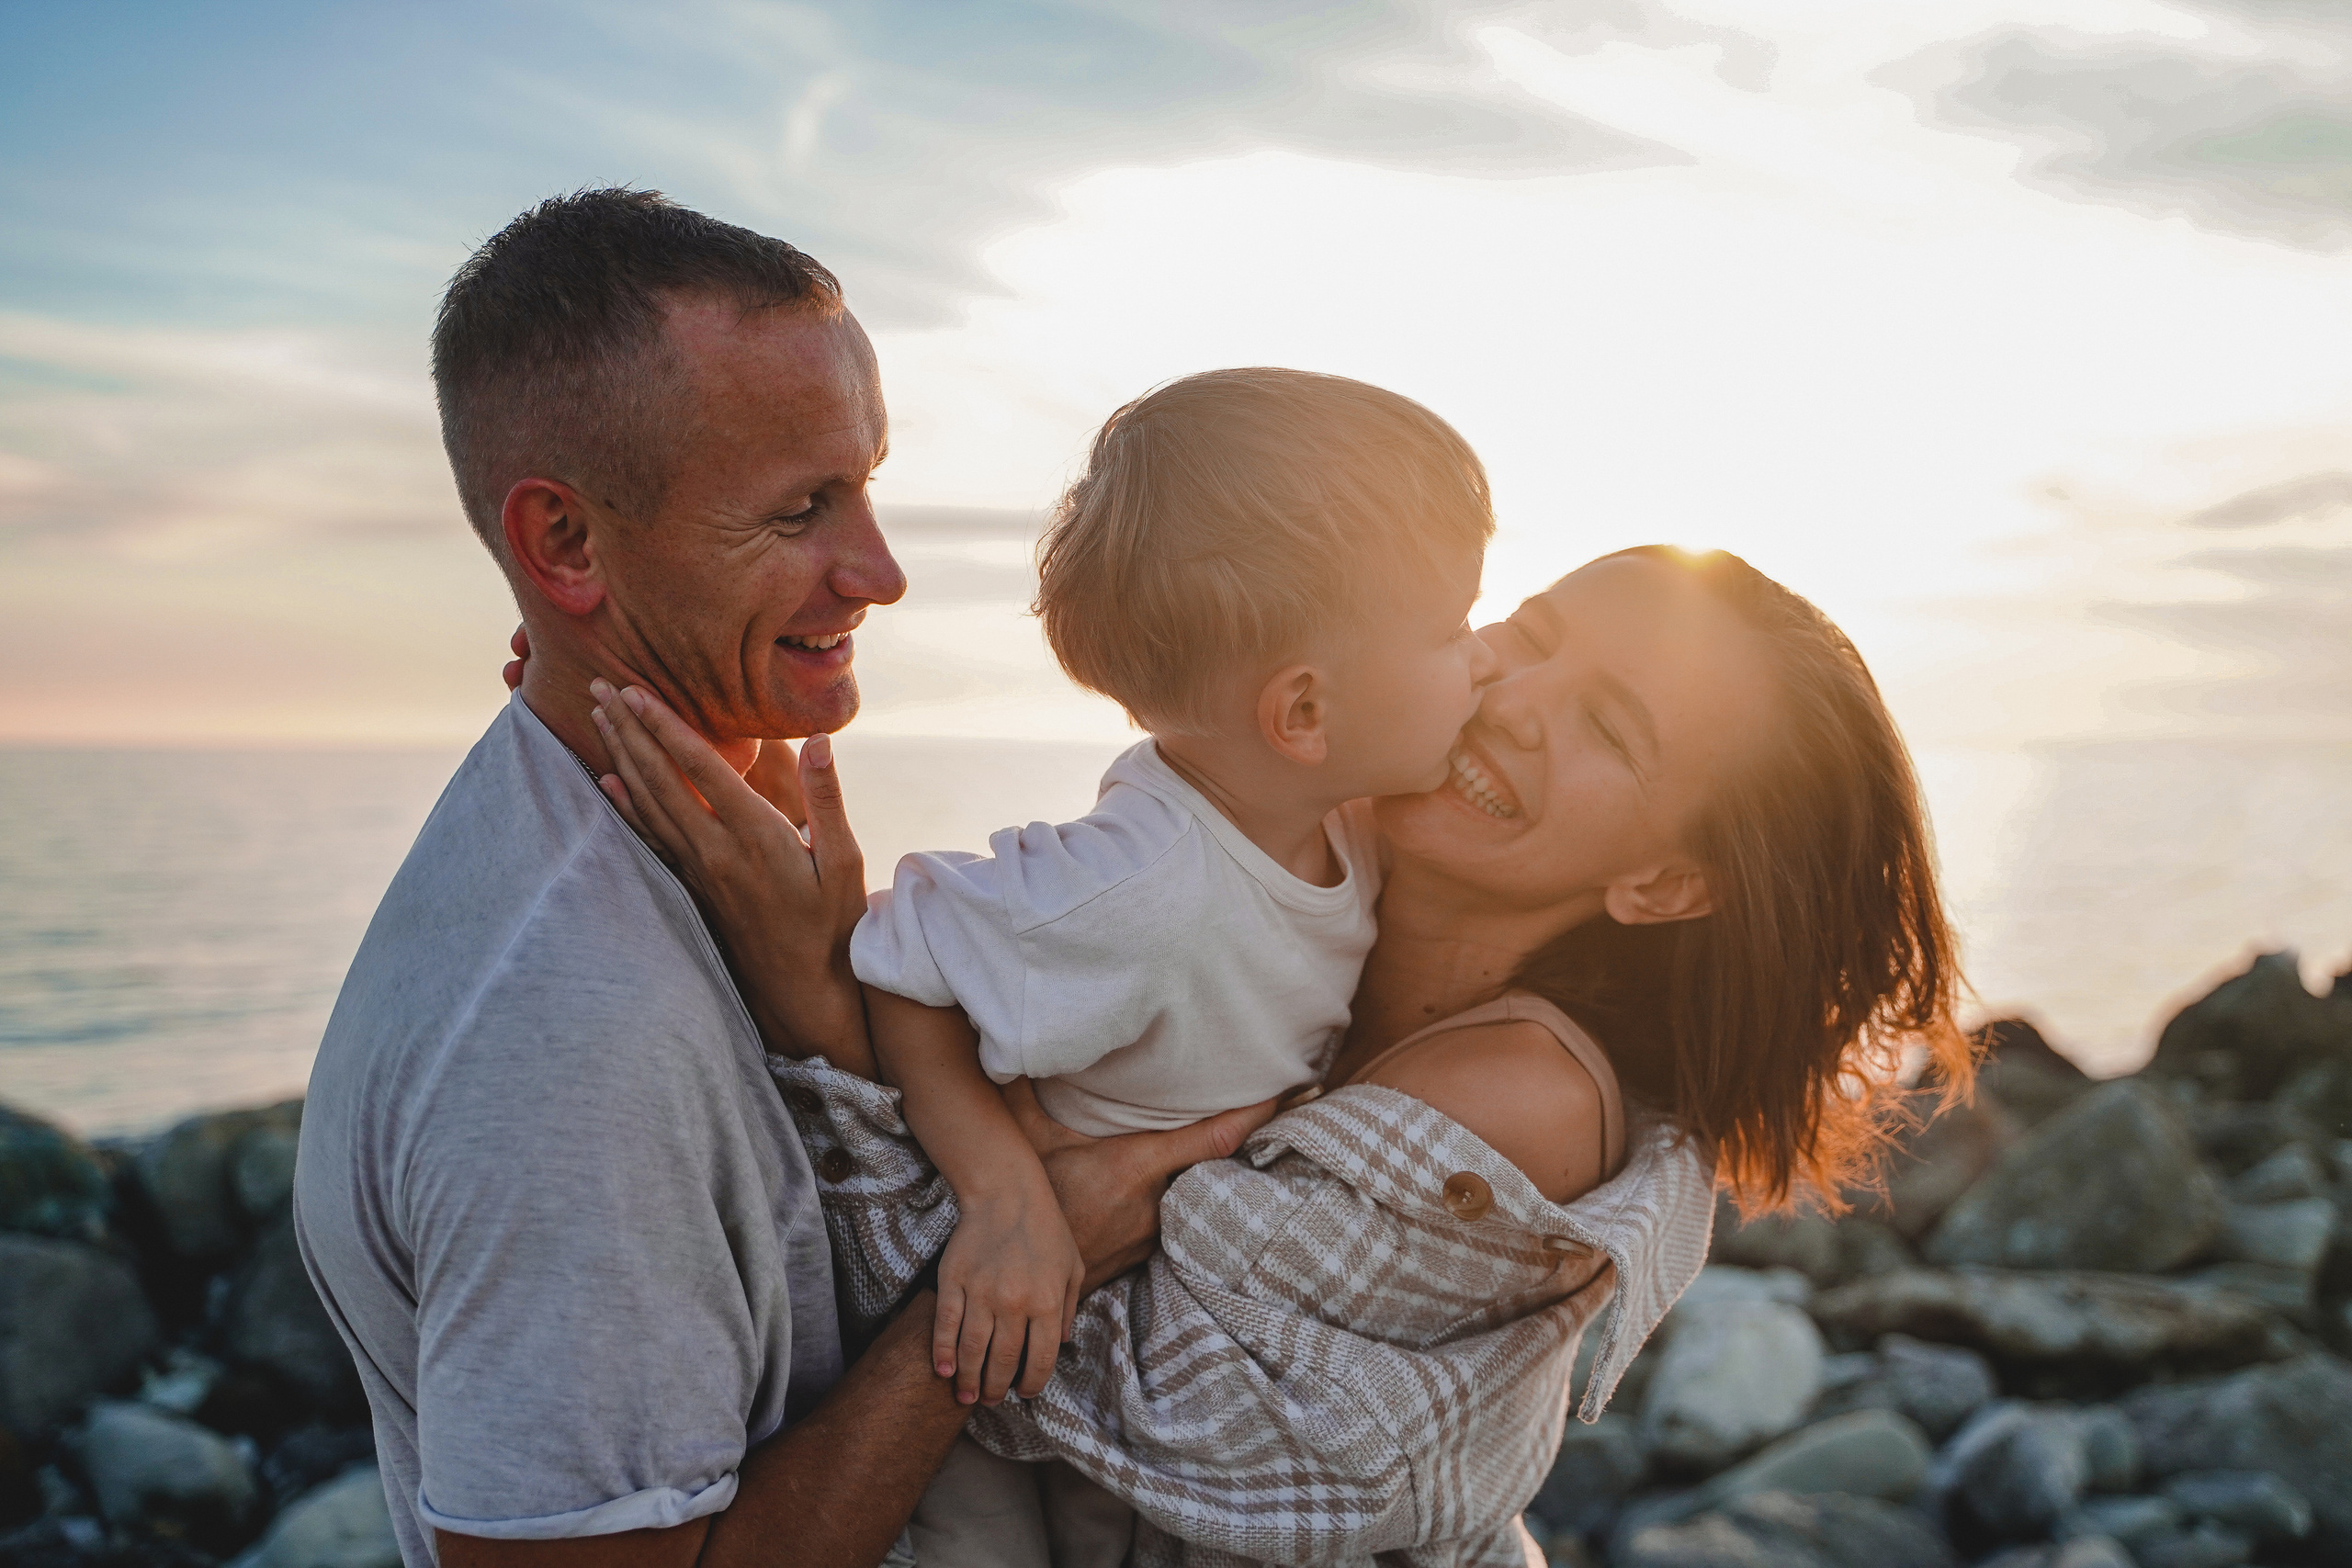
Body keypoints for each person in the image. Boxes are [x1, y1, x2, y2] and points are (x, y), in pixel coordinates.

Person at [589, 543, 1972, 1567]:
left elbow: (1113, 1377)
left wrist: (819, 994)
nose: (1515, 695)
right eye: (1529, 631)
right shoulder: (1299, 858)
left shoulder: (1522, 1100)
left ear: (1666, 882)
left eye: (1606, 725)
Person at [292, 188, 1272, 1568]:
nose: (881, 571)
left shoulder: (692, 839)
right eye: (802, 509)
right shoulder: (564, 1042)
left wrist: (827, 977)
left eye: (867, 482)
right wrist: (1011, 1268)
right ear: (565, 545)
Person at [842, 367, 1498, 1414]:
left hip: (1164, 1321)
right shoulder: (1145, 886)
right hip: (1026, 1337)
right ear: (1303, 714)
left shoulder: (1336, 817)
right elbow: (898, 960)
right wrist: (1002, 1188)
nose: (1490, 656)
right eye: (1454, 629)